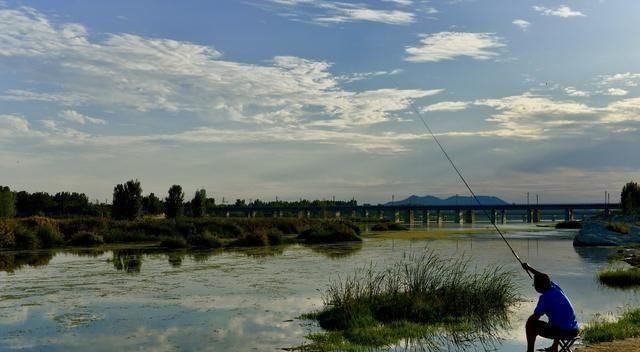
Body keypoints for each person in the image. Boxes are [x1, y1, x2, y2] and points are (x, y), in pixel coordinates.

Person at [522, 262, 579, 352]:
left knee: (531, 324)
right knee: (557, 319)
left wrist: (528, 321)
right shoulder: (555, 288)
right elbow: (544, 277)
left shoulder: (544, 298)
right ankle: (554, 348)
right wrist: (529, 268)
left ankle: (530, 351)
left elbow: (535, 317)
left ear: (538, 287)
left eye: (534, 285)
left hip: (562, 332)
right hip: (574, 330)